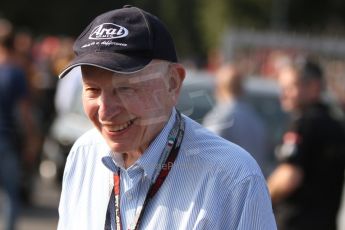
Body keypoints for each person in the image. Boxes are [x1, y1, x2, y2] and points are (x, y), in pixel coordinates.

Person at [57, 6, 276, 230]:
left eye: (125, 89)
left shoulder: (233, 177)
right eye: (93, 90)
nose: (104, 111)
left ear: (172, 83)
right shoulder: (83, 153)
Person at [267, 57, 345, 230]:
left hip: (296, 222)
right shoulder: (335, 122)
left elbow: (289, 176)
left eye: (290, 87)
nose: (283, 94)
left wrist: (259, 196)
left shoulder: (305, 122)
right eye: (282, 87)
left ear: (313, 87)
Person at [0, 19, 39, 230]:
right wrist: (32, 139)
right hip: (7, 139)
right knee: (10, 195)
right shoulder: (16, 72)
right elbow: (25, 112)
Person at [203, 63, 269, 176]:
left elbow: (206, 157)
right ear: (242, 89)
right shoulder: (256, 119)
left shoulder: (219, 117)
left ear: (218, 88)